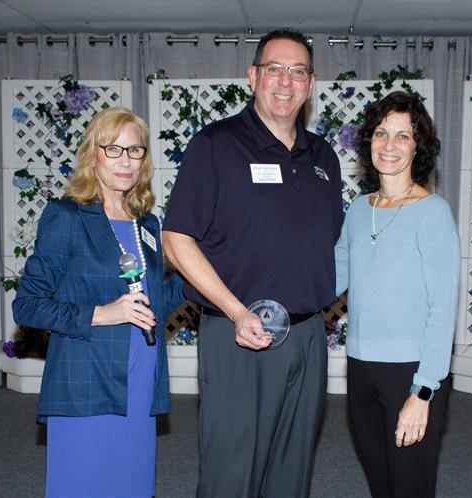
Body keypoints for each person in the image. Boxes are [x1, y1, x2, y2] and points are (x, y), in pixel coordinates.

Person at [162, 29, 343, 497]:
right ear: (253, 76)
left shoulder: (323, 156)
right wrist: (239, 311)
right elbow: (177, 238)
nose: (285, 82)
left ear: (310, 82)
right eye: (274, 70)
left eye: (297, 71)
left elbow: (326, 243)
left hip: (306, 335)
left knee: (292, 467)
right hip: (237, 333)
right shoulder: (217, 144)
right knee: (231, 469)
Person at [12, 106, 183, 498]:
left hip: (140, 377)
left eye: (135, 151)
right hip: (86, 378)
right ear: (93, 154)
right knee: (83, 485)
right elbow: (27, 304)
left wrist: (198, 276)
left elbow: (153, 303)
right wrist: (103, 313)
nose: (126, 161)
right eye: (114, 149)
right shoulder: (67, 216)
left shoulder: (148, 224)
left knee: (132, 485)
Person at [334, 91, 461, 498]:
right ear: (368, 140)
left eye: (403, 136)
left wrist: (423, 391)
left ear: (418, 146)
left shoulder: (433, 213)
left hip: (411, 372)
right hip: (360, 366)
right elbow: (330, 277)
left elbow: (443, 311)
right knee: (381, 481)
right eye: (381, 133)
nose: (389, 145)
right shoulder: (357, 210)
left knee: (410, 486)